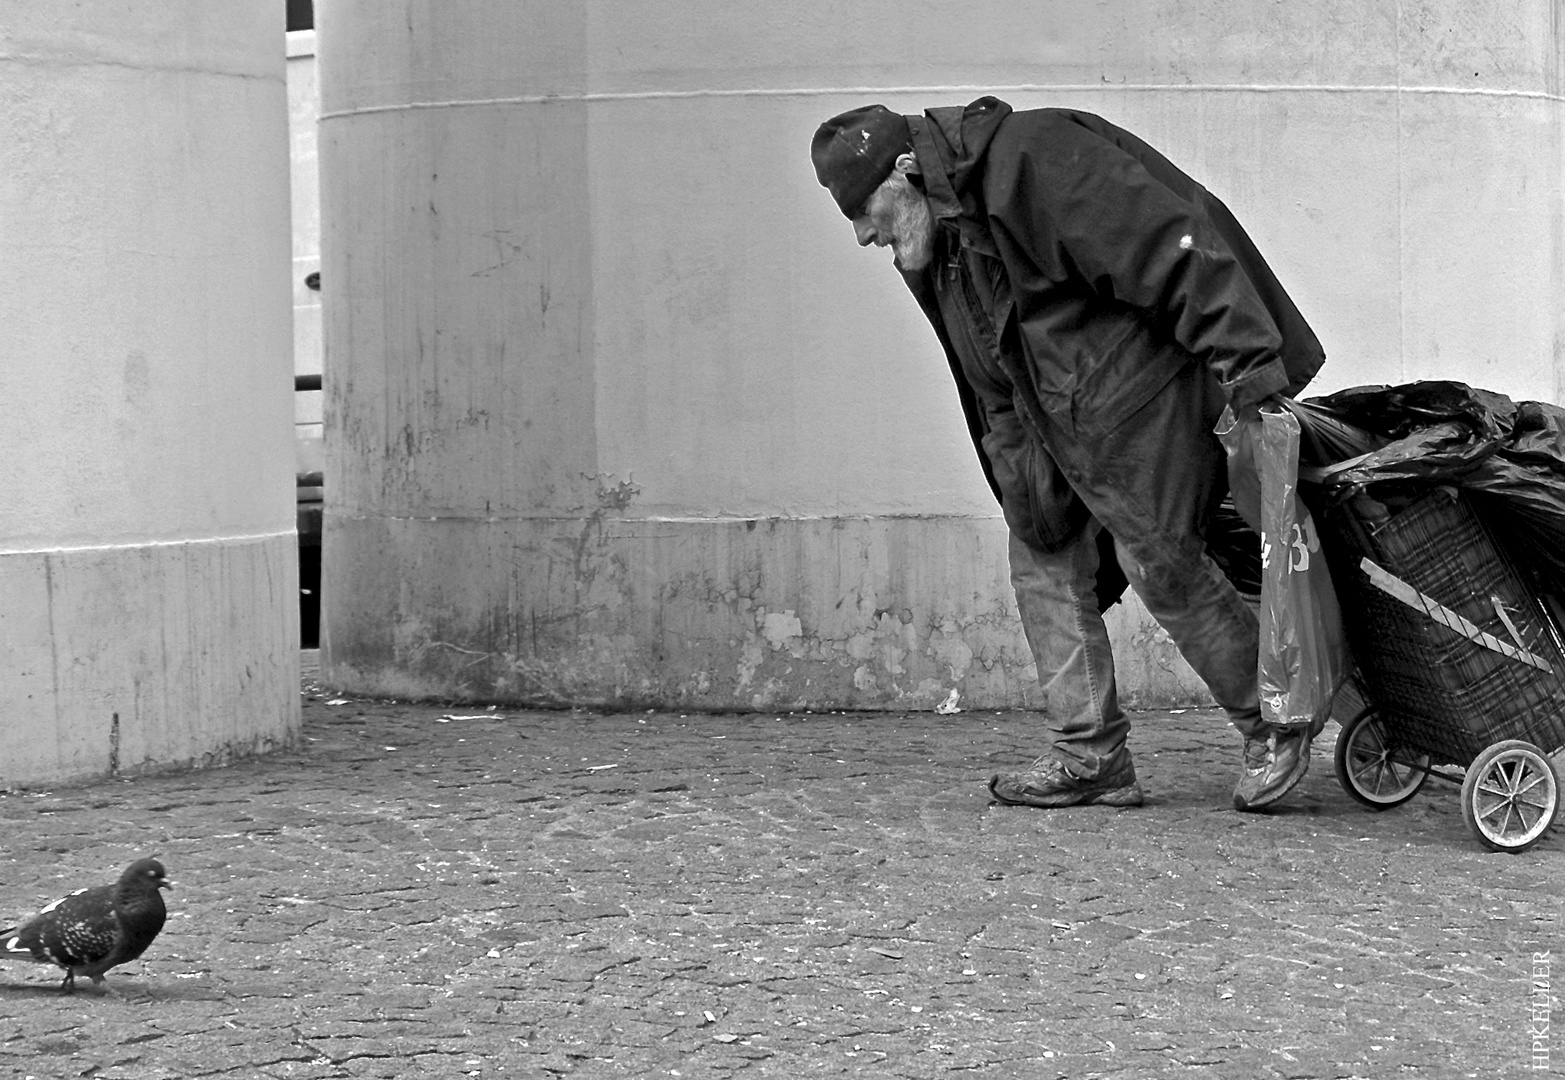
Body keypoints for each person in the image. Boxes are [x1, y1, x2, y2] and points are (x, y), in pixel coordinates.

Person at [810, 97, 1325, 811]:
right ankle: (1090, 757)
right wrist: (1013, 474)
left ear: (906, 171)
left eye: (865, 211)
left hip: (1141, 398)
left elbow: (1170, 246)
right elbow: (983, 363)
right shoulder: (938, 239)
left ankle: (1273, 722)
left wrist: (1249, 373)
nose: (865, 234)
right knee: (1039, 560)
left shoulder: (1031, 156)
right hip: (1057, 423)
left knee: (1160, 563)